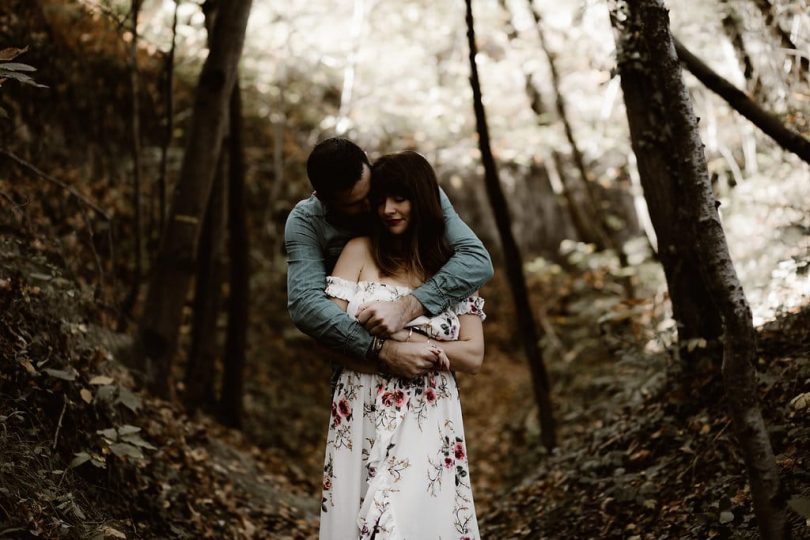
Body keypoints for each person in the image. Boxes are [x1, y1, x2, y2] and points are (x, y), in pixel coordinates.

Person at [318, 150, 485, 539]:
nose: (389, 209)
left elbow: (473, 354)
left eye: (400, 198)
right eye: (381, 200)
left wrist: (411, 340)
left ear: (423, 199)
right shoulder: (357, 251)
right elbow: (326, 336)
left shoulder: (454, 265)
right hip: (361, 405)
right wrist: (386, 356)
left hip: (428, 412)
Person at [284, 137, 493, 383]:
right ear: (323, 198)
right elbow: (306, 307)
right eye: (355, 204)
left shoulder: (412, 189)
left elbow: (477, 260)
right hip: (358, 365)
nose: (375, 207)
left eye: (369, 193)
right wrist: (381, 349)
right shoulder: (307, 221)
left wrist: (407, 308)